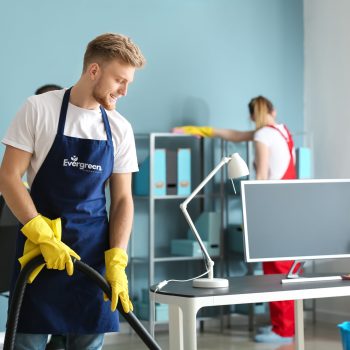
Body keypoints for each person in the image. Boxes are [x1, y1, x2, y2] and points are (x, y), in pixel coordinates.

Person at [0, 33, 146, 350]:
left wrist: (117, 260)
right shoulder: (39, 109)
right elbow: (9, 177)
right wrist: (40, 232)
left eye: (128, 83)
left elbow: (122, 200)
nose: (123, 91)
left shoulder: (120, 128)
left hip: (92, 256)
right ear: (93, 71)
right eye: (119, 80)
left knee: (87, 344)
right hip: (38, 252)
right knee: (26, 343)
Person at [174, 95, 297, 344]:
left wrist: (254, 213)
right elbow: (234, 135)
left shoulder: (263, 136)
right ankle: (284, 328)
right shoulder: (282, 132)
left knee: (275, 270)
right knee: (284, 270)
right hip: (288, 204)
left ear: (252, 115)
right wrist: (195, 130)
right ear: (273, 110)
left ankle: (283, 331)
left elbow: (261, 176)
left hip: (272, 206)